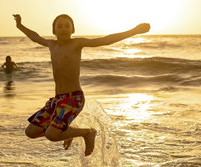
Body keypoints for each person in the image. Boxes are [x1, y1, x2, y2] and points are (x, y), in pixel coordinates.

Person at [13, 14, 150, 156]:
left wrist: (134, 31)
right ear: (54, 30)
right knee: (30, 132)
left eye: (67, 26)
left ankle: (88, 132)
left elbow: (104, 40)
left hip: (73, 99)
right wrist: (20, 26)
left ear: (73, 30)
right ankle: (66, 132)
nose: (64, 28)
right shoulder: (51, 45)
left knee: (52, 135)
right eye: (59, 26)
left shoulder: (76, 44)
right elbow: (35, 36)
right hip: (57, 100)